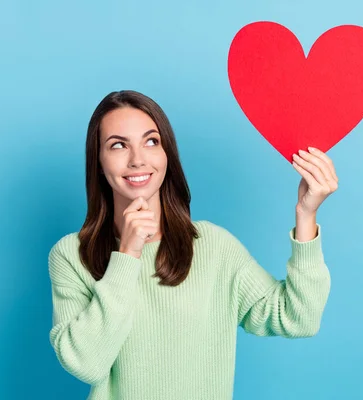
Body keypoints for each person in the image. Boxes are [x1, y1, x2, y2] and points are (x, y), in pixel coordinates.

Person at [47, 90, 337, 400]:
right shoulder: (70, 256)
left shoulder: (213, 246)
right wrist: (127, 255)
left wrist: (306, 214)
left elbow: (299, 317)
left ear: (166, 154)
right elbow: (87, 364)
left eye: (151, 141)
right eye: (118, 145)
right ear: (99, 163)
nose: (137, 159)